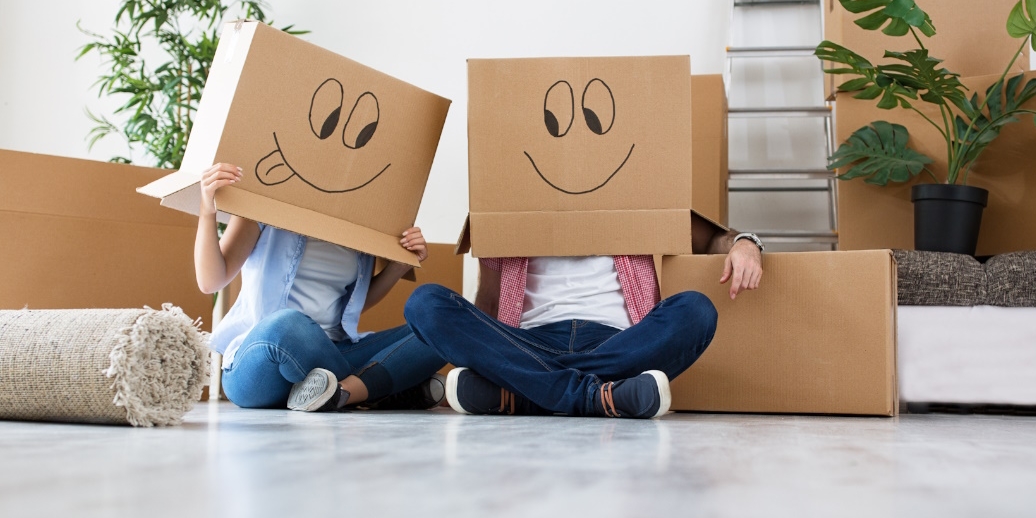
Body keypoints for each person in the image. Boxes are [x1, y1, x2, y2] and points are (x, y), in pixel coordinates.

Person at [403, 218, 764, 419]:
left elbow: (714, 236)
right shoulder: (507, 201)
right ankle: (596, 396)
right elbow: (491, 300)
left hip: (618, 342)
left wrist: (745, 242)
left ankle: (527, 396)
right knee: (425, 304)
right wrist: (488, 351)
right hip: (531, 344)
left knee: (696, 310)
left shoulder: (636, 187)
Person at [196, 163, 445, 412]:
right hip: (263, 360)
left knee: (442, 327)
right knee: (287, 324)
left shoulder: (363, 220)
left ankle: (342, 392)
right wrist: (207, 210)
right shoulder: (265, 201)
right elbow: (210, 281)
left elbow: (355, 305)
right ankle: (382, 386)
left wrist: (398, 267)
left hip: (334, 352)